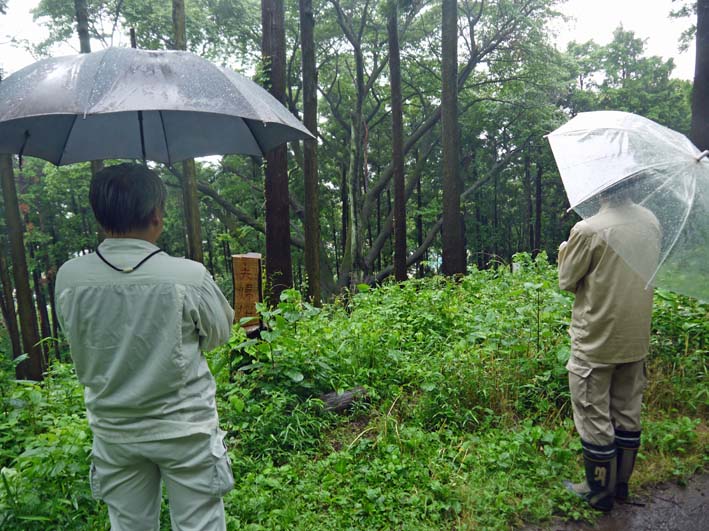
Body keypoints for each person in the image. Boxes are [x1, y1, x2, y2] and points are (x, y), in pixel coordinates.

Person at [55, 163, 235, 530]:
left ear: (100, 217)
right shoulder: (188, 275)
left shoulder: (70, 278)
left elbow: (75, 337)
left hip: (114, 431)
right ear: (156, 215)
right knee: (200, 524)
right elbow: (219, 335)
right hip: (186, 429)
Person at [558, 186, 661, 512]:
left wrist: (564, 250)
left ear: (600, 189)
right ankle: (620, 487)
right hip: (635, 338)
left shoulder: (588, 229)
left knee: (593, 414)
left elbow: (567, 280)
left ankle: (597, 491)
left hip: (596, 340)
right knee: (627, 413)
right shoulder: (651, 222)